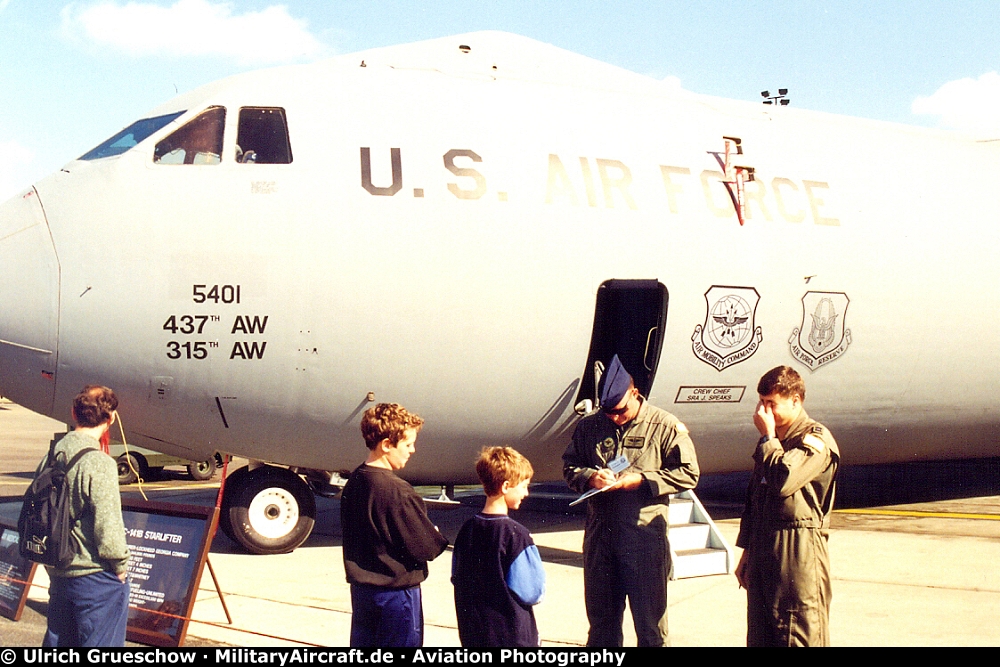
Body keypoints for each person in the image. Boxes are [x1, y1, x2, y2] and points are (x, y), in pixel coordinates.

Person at [562, 355, 700, 647]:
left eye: (621, 410)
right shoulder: (590, 426)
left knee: (650, 629)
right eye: (609, 412)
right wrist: (590, 477)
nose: (614, 417)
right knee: (601, 628)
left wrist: (643, 481)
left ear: (635, 394)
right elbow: (569, 466)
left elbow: (689, 473)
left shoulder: (664, 426)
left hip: (644, 542)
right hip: (601, 540)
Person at [734, 365, 840, 647]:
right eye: (761, 402)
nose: (763, 412)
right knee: (761, 633)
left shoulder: (814, 439)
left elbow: (784, 481)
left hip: (798, 553)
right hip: (764, 549)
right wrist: (747, 551)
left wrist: (768, 438)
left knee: (796, 630)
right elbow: (755, 499)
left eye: (772, 404)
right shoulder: (775, 441)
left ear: (796, 400)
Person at [340, 403, 449, 647]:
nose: (412, 450)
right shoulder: (398, 491)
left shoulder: (356, 480)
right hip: (396, 597)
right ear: (387, 444)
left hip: (363, 593)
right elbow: (428, 547)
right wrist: (433, 534)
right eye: (408, 444)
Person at [39, 385, 130, 647]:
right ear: (110, 418)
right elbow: (108, 525)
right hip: (94, 576)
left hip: (58, 570)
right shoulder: (99, 463)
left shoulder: (51, 456)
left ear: (73, 413)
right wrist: (120, 567)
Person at [452, 446, 546, 647]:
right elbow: (532, 591)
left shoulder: (466, 529)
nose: (526, 493)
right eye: (523, 486)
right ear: (505, 486)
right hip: (512, 637)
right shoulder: (517, 535)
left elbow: (456, 578)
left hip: (474, 634)